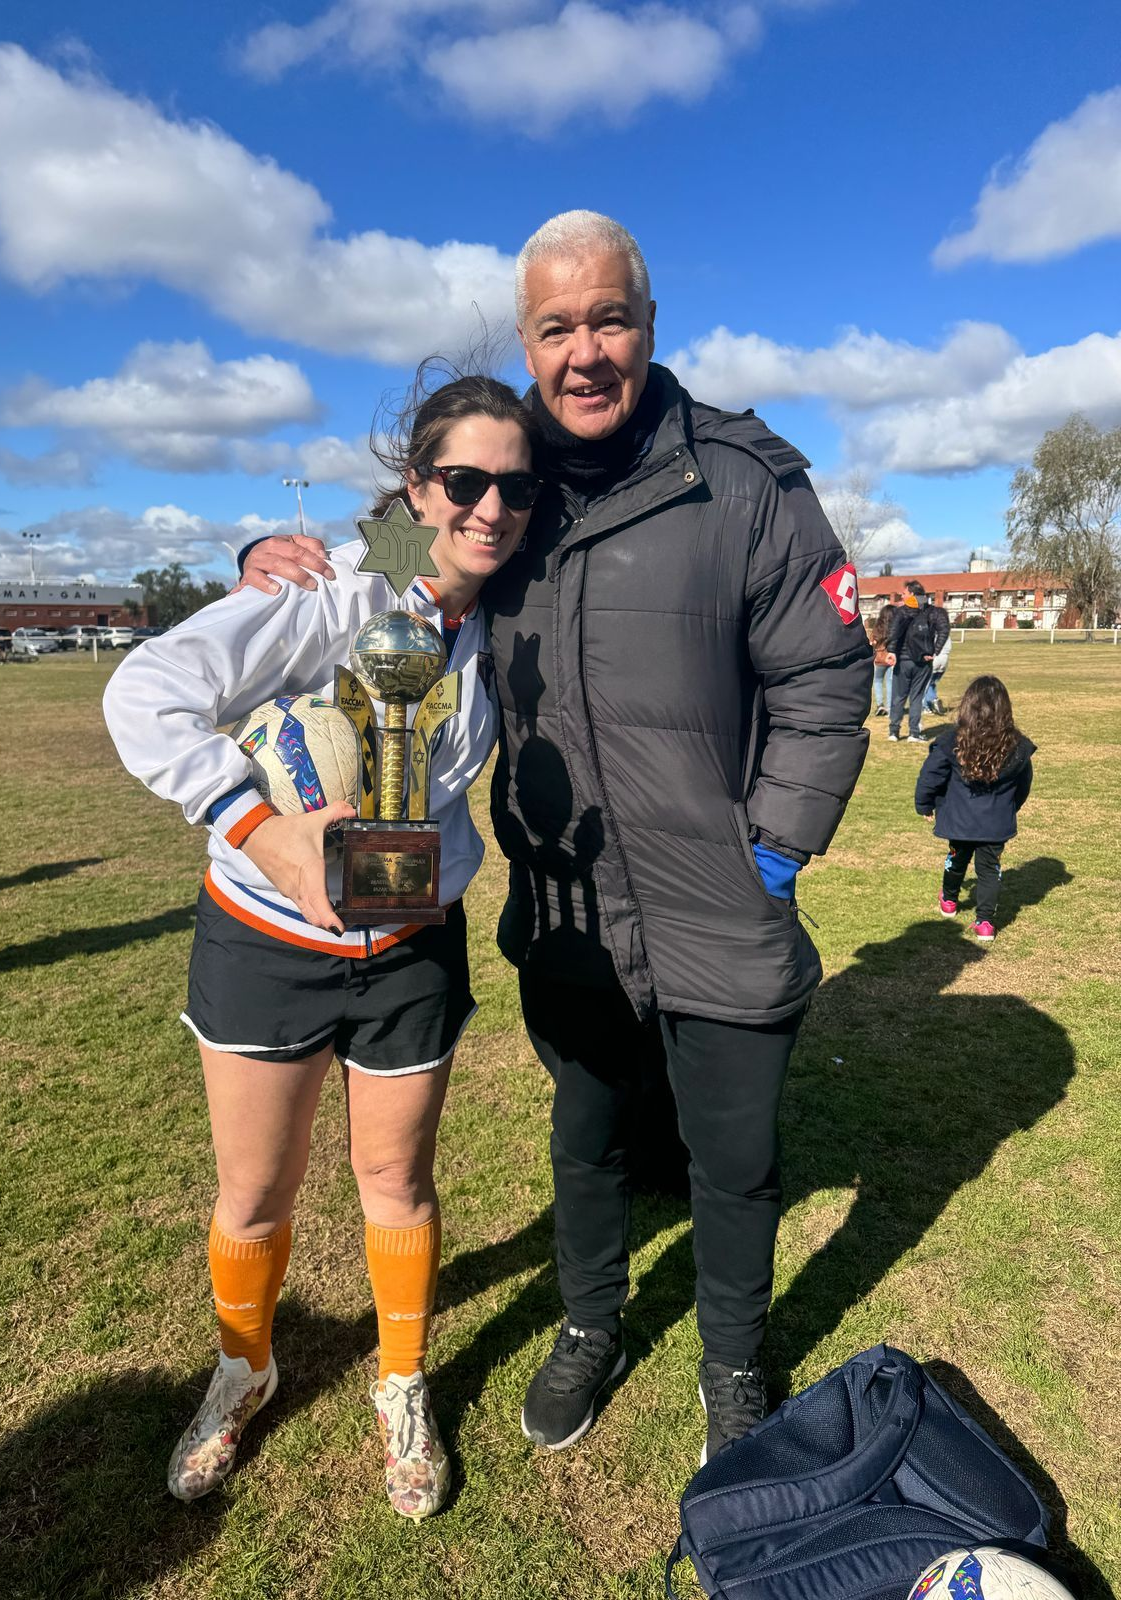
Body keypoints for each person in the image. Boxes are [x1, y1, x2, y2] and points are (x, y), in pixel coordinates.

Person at [240, 210, 873, 1464]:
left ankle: (735, 1365)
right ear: (529, 342)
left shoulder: (744, 482)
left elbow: (822, 677)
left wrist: (774, 853)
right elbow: (368, 573)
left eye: (610, 319)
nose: (586, 352)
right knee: (584, 1142)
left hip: (720, 904)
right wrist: (268, 551)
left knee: (734, 1165)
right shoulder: (496, 489)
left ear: (649, 321)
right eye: (556, 327)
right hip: (569, 907)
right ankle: (591, 1322)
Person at [102, 369, 540, 1516]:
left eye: (515, 486)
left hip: (411, 947)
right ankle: (245, 1369)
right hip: (266, 936)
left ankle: (401, 1383)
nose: (490, 507)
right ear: (416, 487)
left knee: (397, 1178)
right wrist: (262, 831)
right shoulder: (329, 591)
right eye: (464, 481)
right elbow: (144, 692)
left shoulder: (503, 607)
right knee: (254, 1190)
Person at [914, 674, 1035, 944]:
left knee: (957, 859)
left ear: (967, 707)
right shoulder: (1009, 746)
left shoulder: (957, 741)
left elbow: (929, 776)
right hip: (994, 825)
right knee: (989, 870)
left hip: (962, 822)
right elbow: (1024, 784)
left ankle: (949, 900)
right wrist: (1011, 808)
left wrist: (924, 803)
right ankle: (985, 922)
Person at [887, 581, 949, 743]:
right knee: (916, 697)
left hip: (903, 660)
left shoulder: (901, 612)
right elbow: (944, 629)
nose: (902, 595)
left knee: (898, 696)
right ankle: (914, 733)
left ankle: (894, 731)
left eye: (905, 593)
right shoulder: (933, 612)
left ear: (913, 594)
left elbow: (893, 633)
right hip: (923, 660)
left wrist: (892, 651)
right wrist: (935, 650)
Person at [867, 605, 896, 716]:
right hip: (891, 658)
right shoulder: (895, 627)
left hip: (879, 659)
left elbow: (871, 642)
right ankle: (889, 707)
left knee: (878, 681)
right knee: (889, 682)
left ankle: (880, 705)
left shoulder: (877, 628)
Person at [924, 628, 952, 714]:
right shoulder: (946, 634)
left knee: (924, 684)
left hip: (935, 658)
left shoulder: (931, 633)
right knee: (932, 683)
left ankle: (927, 705)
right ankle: (933, 701)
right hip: (945, 659)